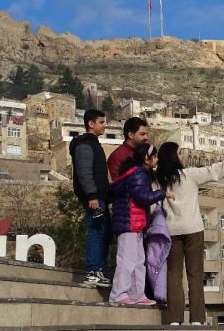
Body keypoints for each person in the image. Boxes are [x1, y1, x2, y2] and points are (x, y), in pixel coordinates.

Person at [155, 142, 224, 325]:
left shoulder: (159, 180)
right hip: (193, 230)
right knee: (195, 274)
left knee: (174, 275)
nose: (182, 156)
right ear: (174, 156)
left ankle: (175, 319)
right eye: (179, 153)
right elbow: (215, 171)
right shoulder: (189, 175)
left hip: (171, 230)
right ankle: (197, 319)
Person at [109, 143, 174, 304]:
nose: (157, 159)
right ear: (146, 158)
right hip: (129, 223)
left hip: (136, 224)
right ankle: (118, 294)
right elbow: (142, 197)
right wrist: (162, 193)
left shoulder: (140, 173)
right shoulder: (138, 174)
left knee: (138, 261)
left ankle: (137, 294)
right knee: (126, 260)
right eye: (154, 156)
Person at [69, 109, 112, 287]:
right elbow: (85, 173)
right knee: (96, 232)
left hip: (100, 196)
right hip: (94, 198)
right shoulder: (85, 145)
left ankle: (99, 270)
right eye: (101, 122)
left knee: (104, 233)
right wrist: (92, 196)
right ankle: (93, 271)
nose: (104, 125)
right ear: (91, 124)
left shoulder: (94, 144)